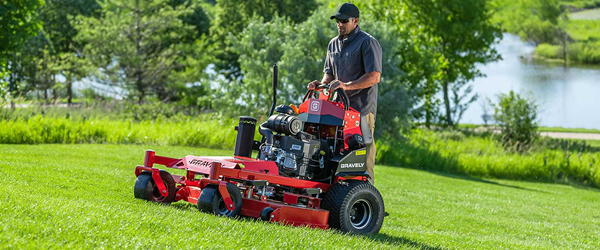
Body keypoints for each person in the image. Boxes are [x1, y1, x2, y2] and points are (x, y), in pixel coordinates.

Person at [307, 2, 382, 182]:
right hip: (338, 112)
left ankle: (366, 197)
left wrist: (346, 86)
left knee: (363, 157)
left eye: (344, 21)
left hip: (362, 110)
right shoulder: (333, 44)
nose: (340, 24)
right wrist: (320, 85)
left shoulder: (367, 42)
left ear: (355, 21)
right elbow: (329, 75)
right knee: (337, 156)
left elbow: (374, 77)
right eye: (337, 21)